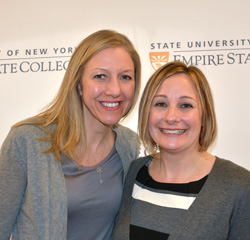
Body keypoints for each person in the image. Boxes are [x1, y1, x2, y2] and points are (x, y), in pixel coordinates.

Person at [0, 29, 141, 240]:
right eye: (100, 76)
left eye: (125, 77)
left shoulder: (129, 144)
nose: (114, 89)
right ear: (79, 84)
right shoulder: (27, 140)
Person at [112, 61, 250, 240]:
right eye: (161, 104)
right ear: (147, 112)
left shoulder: (239, 187)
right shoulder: (132, 173)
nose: (171, 117)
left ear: (204, 116)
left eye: (185, 105)